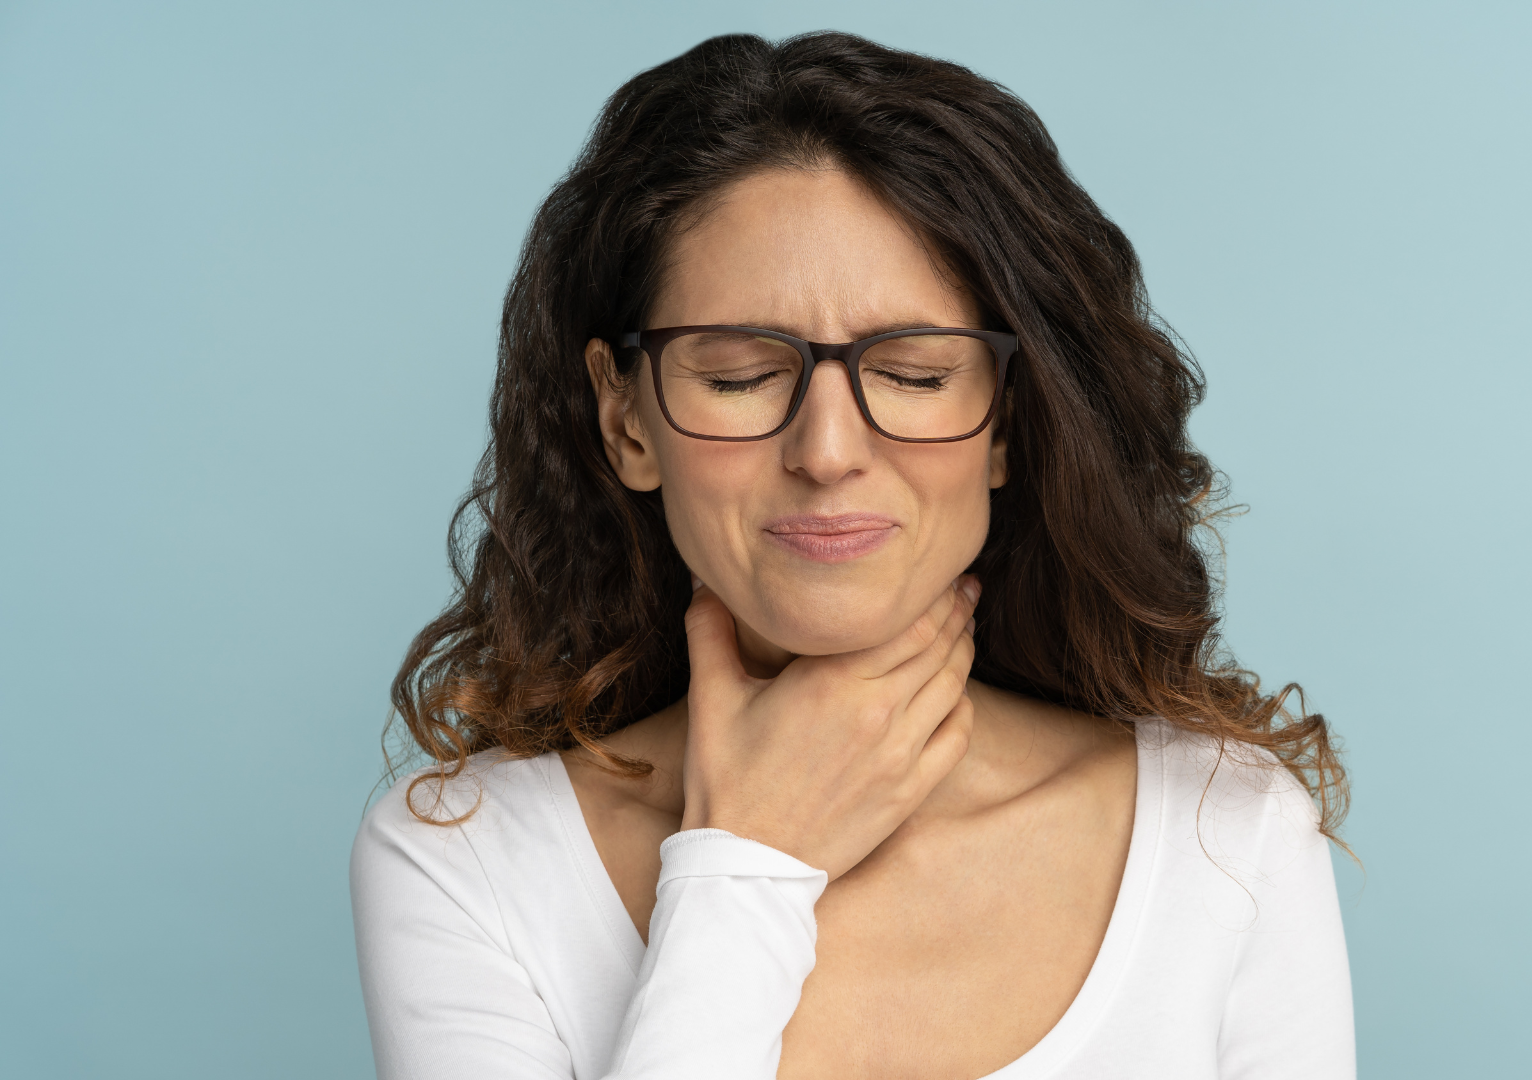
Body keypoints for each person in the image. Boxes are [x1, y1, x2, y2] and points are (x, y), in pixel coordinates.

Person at [350, 30, 1354, 1080]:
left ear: (1007, 423)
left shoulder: (1224, 837)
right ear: (626, 420)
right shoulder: (461, 862)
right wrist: (746, 866)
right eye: (739, 376)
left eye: (916, 375)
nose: (827, 453)